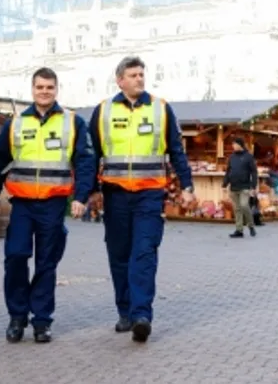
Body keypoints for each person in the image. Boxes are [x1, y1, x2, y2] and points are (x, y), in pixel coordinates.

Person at [0, 67, 96, 344]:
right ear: (32, 90)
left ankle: (42, 321)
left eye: (49, 87)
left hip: (54, 205)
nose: (44, 92)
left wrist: (81, 197)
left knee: (47, 264)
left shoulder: (73, 122)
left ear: (56, 89)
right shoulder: (16, 123)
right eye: (39, 87)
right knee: (16, 257)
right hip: (22, 205)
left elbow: (85, 161)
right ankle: (17, 317)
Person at [88, 55, 195, 343]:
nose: (139, 79)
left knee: (144, 252)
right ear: (119, 79)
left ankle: (141, 315)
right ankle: (125, 311)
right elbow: (90, 155)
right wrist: (90, 192)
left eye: (141, 74)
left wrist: (187, 185)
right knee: (119, 254)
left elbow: (176, 150)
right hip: (115, 195)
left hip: (150, 195)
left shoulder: (160, 109)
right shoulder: (103, 111)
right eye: (133, 75)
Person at [222, 137, 259, 238]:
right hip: (233, 186)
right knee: (237, 209)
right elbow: (228, 171)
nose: (233, 146)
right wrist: (224, 184)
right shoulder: (232, 157)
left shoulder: (248, 157)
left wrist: (254, 186)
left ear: (240, 145)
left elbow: (254, 172)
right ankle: (239, 230)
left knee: (244, 205)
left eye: (234, 144)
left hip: (245, 187)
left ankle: (251, 225)